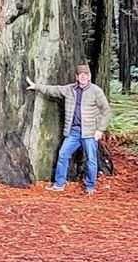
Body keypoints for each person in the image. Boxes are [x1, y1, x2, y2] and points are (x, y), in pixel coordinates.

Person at [26, 63, 111, 195]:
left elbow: (106, 110)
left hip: (89, 132)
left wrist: (100, 129)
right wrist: (36, 86)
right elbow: (54, 90)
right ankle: (59, 184)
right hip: (74, 132)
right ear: (77, 77)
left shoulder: (96, 91)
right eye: (81, 75)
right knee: (63, 155)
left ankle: (90, 186)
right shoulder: (69, 89)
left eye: (86, 75)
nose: (83, 77)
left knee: (91, 160)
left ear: (89, 76)